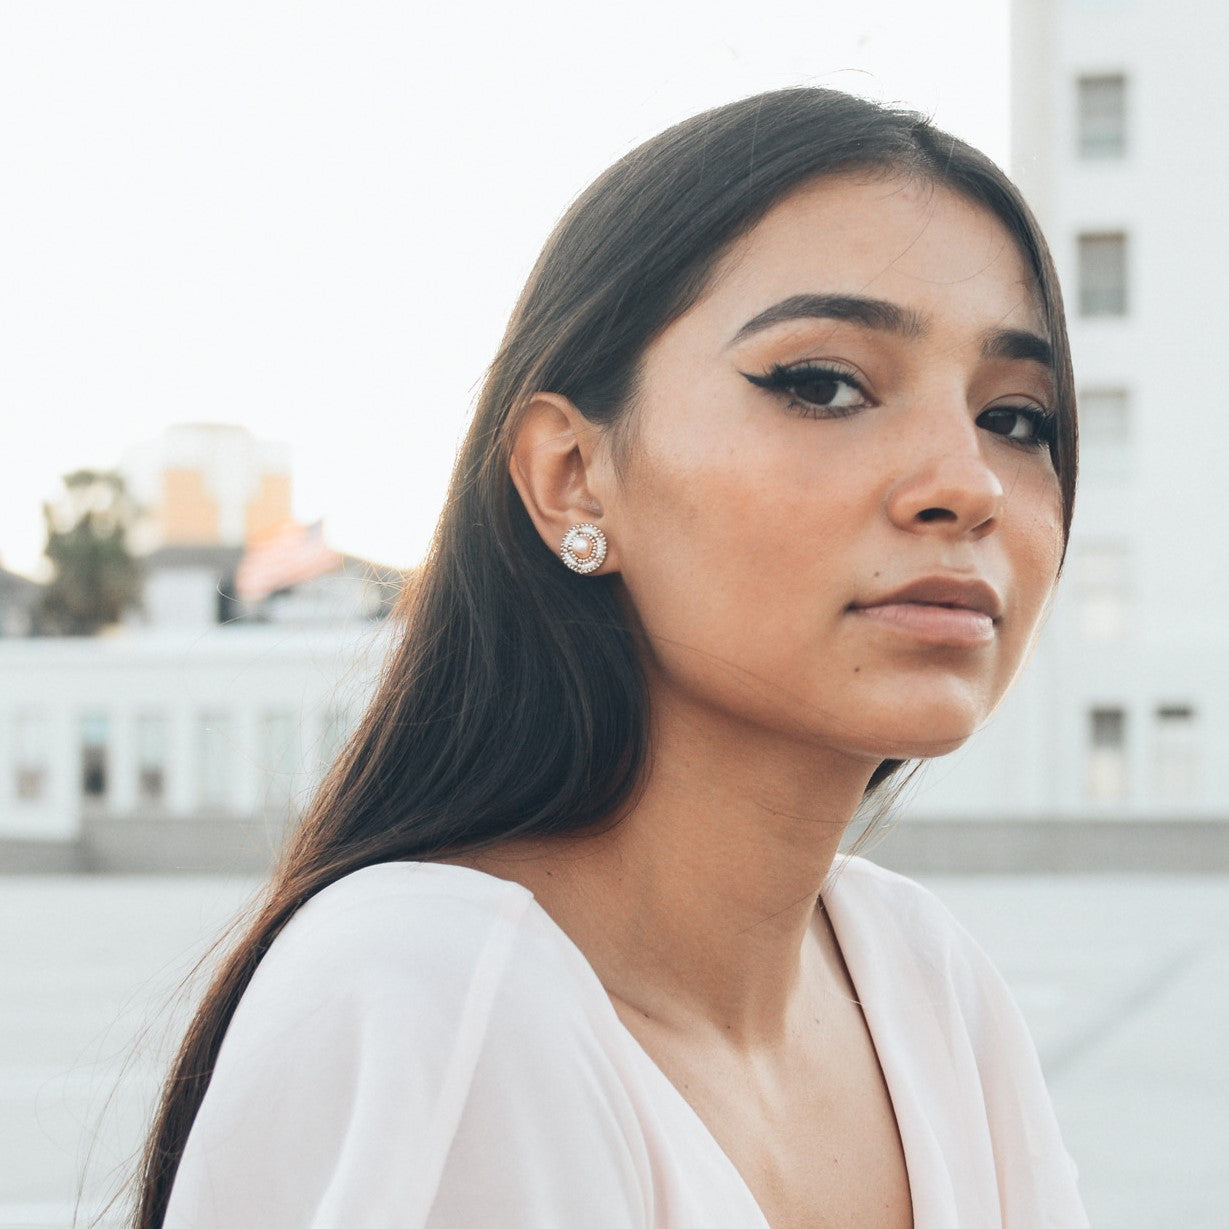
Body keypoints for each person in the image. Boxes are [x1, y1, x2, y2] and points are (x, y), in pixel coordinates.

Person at [136, 88, 1088, 1227]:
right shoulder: (431, 995)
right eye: (824, 385)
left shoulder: (926, 982)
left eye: (1016, 416)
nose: (966, 481)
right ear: (569, 476)